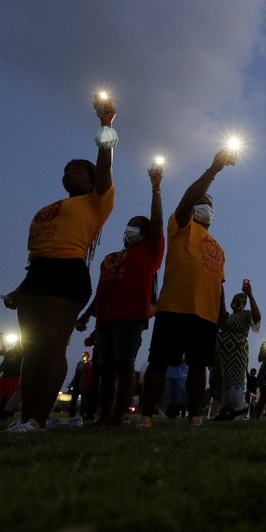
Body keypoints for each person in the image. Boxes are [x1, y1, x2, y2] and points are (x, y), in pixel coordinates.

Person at [1, 95, 116, 432]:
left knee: (51, 346)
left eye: (78, 169)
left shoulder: (96, 203)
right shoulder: (48, 208)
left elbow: (106, 165)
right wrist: (20, 288)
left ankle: (37, 418)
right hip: (37, 275)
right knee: (30, 349)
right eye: (66, 169)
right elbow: (35, 255)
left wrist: (105, 125)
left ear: (92, 180)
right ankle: (26, 419)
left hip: (67, 275)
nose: (69, 173)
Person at [138, 149, 236, 428]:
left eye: (209, 204)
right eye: (201, 201)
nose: (204, 205)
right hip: (174, 306)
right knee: (158, 361)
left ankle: (195, 415)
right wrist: (213, 169)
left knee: (198, 365)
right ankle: (146, 415)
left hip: (205, 314)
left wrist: (222, 312)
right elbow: (188, 200)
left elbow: (218, 281)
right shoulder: (181, 225)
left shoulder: (218, 247)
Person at [76, 162, 165, 427]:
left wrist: (156, 190)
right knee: (105, 369)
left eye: (136, 225)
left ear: (146, 232)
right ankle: (104, 415)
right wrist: (85, 315)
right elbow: (103, 290)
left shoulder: (149, 252)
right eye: (129, 224)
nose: (130, 228)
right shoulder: (110, 258)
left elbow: (158, 222)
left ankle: (118, 415)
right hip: (104, 319)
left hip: (130, 316)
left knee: (124, 364)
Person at [212, 283, 262, 421]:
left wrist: (250, 295)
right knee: (222, 382)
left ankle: (239, 409)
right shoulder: (226, 316)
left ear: (244, 304)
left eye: (240, 301)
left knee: (235, 381)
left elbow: (257, 318)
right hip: (222, 355)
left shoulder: (247, 315)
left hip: (237, 354)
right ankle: (226, 409)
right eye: (235, 300)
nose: (237, 302)